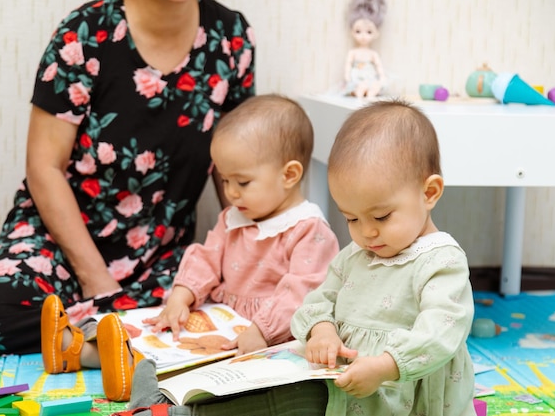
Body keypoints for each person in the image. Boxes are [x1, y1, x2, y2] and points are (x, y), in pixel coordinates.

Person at [0, 0, 255, 357]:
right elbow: (43, 167)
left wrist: (256, 251)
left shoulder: (231, 36)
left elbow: (236, 165)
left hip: (159, 258)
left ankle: (104, 338)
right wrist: (99, 285)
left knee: (243, 306)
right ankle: (93, 349)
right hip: (59, 242)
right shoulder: (84, 32)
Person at [42, 94, 340, 402]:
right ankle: (75, 348)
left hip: (268, 335)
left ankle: (132, 375)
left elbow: (301, 293)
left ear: (289, 175)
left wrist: (262, 330)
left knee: (193, 359)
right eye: (225, 181)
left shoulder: (309, 230)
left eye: (243, 182)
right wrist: (182, 298)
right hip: (223, 317)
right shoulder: (234, 218)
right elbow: (206, 259)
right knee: (166, 330)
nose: (231, 193)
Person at [291, 100, 476, 415]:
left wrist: (386, 366)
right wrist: (322, 330)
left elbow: (441, 331)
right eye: (351, 219)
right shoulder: (355, 255)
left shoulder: (441, 262)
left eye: (381, 217)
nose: (367, 233)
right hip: (356, 392)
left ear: (429, 193)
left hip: (412, 394)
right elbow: (319, 299)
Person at [343, 0, 387, 98]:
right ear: (352, 32)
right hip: (356, 79)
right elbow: (348, 65)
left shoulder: (373, 54)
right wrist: (347, 78)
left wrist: (382, 78)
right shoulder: (353, 52)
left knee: (375, 87)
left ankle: (369, 93)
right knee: (358, 88)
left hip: (370, 79)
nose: (363, 36)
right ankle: (360, 92)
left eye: (369, 32)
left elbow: (379, 67)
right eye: (358, 31)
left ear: (376, 33)